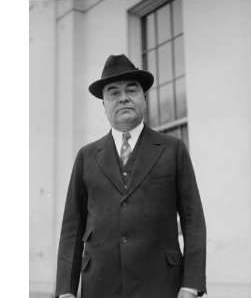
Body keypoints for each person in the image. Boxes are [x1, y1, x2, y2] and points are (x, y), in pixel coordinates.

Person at [55, 54, 207, 298]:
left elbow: (193, 220)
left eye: (131, 90)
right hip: (100, 287)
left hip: (161, 285)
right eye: (113, 92)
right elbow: (71, 229)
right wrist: (65, 290)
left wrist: (190, 285)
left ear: (144, 98)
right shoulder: (86, 157)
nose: (123, 97)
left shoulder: (173, 149)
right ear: (103, 104)